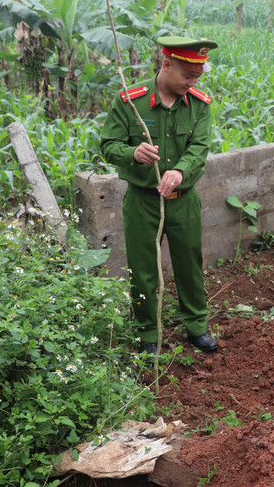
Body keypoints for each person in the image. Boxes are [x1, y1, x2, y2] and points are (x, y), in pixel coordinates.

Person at [100, 35, 218, 355]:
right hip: (143, 202)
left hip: (184, 203)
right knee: (143, 270)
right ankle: (147, 332)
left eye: (198, 77)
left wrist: (179, 171)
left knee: (190, 267)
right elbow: (108, 145)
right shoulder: (130, 101)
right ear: (166, 65)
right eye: (187, 76)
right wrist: (132, 153)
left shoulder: (198, 105)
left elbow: (199, 148)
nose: (192, 83)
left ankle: (196, 326)